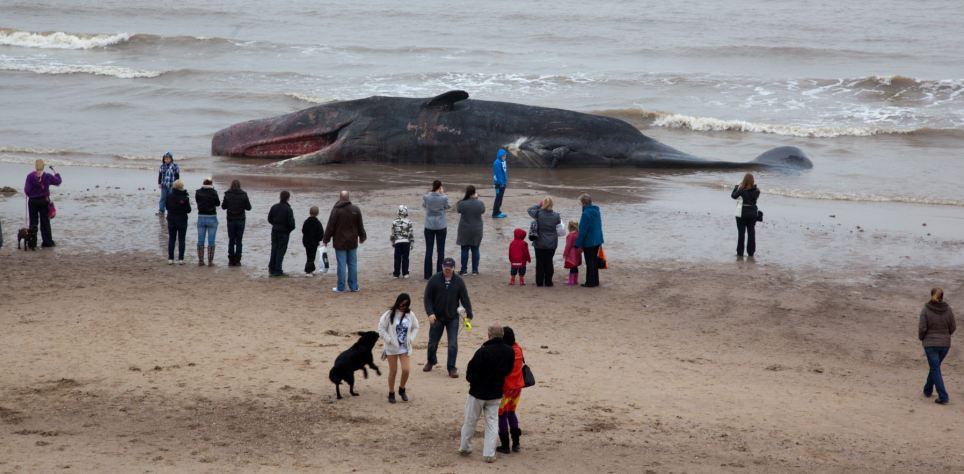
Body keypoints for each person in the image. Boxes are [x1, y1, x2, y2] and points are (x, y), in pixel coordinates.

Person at [458, 324, 515, 463]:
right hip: (495, 392)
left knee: (470, 421)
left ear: (489, 335)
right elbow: (508, 371)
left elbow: (470, 372)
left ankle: (465, 447)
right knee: (492, 423)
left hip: (477, 392)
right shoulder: (509, 351)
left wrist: (473, 382)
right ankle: (489, 453)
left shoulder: (482, 351)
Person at [423, 257, 474, 377]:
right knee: (432, 342)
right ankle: (431, 361)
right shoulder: (434, 279)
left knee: (452, 344)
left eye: (449, 269)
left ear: (453, 268)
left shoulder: (459, 281)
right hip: (437, 317)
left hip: (452, 318)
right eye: (446, 268)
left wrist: (469, 313)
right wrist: (430, 313)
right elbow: (427, 298)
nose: (447, 270)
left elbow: (465, 298)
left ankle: (451, 368)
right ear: (442, 267)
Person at [378, 293, 421, 404]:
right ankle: (391, 392)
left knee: (406, 370)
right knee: (393, 371)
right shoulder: (389, 314)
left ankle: (402, 389)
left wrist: (411, 338)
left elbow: (416, 327)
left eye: (405, 305)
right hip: (391, 348)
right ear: (398, 302)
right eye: (401, 305)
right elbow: (381, 328)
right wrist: (388, 340)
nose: (402, 307)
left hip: (404, 347)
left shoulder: (410, 315)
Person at [324, 190, 366, 292]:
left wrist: (326, 239)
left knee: (341, 265)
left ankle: (341, 287)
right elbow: (360, 224)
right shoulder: (355, 209)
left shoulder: (336, 210)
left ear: (340, 198)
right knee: (352, 264)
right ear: (348, 198)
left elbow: (330, 226)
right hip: (352, 241)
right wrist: (362, 236)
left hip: (339, 241)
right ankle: (354, 287)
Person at [919, 287, 956, 405]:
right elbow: (953, 327)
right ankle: (927, 390)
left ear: (931, 295)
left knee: (935, 368)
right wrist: (945, 335)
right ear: (942, 296)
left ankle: (943, 396)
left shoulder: (925, 310)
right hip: (945, 344)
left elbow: (922, 328)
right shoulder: (948, 310)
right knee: (935, 367)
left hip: (930, 344)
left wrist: (922, 338)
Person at [496, 326, 525, 454]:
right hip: (517, 387)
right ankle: (516, 443)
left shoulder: (505, 352)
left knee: (502, 414)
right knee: (511, 412)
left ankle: (505, 445)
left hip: (506, 388)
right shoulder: (518, 349)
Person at [23, 159, 62, 248]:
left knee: (33, 222)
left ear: (35, 166)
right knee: (45, 222)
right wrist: (56, 171)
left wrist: (31, 194)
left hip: (32, 202)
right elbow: (58, 181)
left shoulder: (30, 176)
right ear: (43, 166)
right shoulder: (47, 176)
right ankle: (47, 242)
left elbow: (27, 190)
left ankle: (32, 243)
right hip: (44, 201)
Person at [527, 196, 562, 287]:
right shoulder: (556, 215)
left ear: (543, 204)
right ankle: (548, 282)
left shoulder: (538, 213)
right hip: (552, 243)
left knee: (540, 262)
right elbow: (559, 226)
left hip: (539, 242)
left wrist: (538, 205)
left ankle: (539, 282)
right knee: (549, 261)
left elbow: (529, 210)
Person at [575, 193, 604, 288]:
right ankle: (595, 281)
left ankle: (590, 282)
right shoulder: (596, 211)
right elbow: (599, 226)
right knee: (594, 261)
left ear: (583, 202)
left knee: (589, 262)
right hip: (597, 239)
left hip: (589, 241)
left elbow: (582, 230)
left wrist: (578, 243)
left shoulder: (586, 213)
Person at [423, 180, 450, 280]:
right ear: (440, 187)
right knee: (441, 250)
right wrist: (442, 193)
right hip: (441, 226)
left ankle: (427, 275)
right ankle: (439, 273)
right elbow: (447, 206)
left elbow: (424, 206)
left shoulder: (426, 196)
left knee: (429, 250)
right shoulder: (444, 197)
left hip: (429, 226)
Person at [221, 179, 251, 266]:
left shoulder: (227, 194)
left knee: (231, 240)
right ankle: (237, 260)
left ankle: (231, 260)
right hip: (241, 220)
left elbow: (223, 207)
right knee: (239, 240)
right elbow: (249, 208)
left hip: (230, 219)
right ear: (239, 185)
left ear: (231, 185)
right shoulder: (244, 194)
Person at [456, 185, 485, 275]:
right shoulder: (480, 203)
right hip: (477, 229)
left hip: (464, 229)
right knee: (475, 249)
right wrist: (476, 199)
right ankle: (475, 270)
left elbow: (458, 210)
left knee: (464, 249)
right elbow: (483, 211)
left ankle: (464, 270)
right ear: (474, 192)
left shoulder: (462, 203)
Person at [731, 173, 760, 258]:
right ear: (752, 181)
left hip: (742, 213)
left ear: (744, 181)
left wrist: (736, 187)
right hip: (753, 213)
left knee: (741, 233)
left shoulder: (742, 190)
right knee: (751, 233)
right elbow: (753, 195)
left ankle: (740, 252)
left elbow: (733, 196)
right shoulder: (757, 191)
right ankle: (751, 252)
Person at [267, 190, 296, 277]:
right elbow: (292, 224)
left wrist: (275, 225)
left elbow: (269, 219)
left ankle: (271, 268)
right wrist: (288, 230)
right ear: (288, 198)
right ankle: (278, 270)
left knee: (274, 249)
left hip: (275, 231)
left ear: (280, 197)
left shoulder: (274, 207)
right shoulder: (288, 209)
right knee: (280, 251)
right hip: (284, 233)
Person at [195, 177, 221, 266]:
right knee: (211, 240)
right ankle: (210, 261)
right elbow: (218, 203)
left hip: (201, 216)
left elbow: (197, 201)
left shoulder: (198, 192)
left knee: (200, 240)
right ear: (211, 184)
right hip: (212, 217)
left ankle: (201, 261)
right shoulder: (214, 192)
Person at [164, 180, 191, 264]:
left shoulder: (169, 196)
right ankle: (181, 259)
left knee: (172, 239)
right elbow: (188, 210)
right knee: (181, 240)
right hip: (182, 220)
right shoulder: (185, 197)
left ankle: (170, 259)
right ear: (182, 187)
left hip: (171, 219)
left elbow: (167, 207)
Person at [390, 205, 414, 278]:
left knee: (397, 258)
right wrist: (412, 243)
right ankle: (405, 273)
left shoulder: (394, 222)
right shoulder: (409, 222)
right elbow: (411, 234)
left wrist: (393, 242)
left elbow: (392, 234)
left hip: (397, 242)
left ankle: (396, 274)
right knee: (405, 258)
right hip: (406, 242)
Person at [302, 206, 324, 276]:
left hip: (306, 242)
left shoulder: (306, 221)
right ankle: (308, 271)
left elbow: (303, 230)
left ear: (310, 212)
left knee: (309, 255)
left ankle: (310, 270)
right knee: (312, 257)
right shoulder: (317, 222)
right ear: (317, 213)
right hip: (314, 242)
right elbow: (321, 233)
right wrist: (319, 239)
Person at [156, 152, 179, 216]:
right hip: (164, 185)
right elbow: (160, 175)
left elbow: (177, 176)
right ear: (164, 159)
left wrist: (177, 184)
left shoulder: (175, 166)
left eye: (168, 158)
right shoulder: (162, 166)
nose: (167, 160)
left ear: (171, 159)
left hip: (172, 185)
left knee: (171, 198)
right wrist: (159, 183)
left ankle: (170, 211)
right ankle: (161, 211)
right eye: (165, 159)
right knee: (163, 198)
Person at [563, 220, 582, 286]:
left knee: (572, 267)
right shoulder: (578, 233)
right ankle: (575, 280)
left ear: (569, 226)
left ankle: (571, 281)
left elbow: (568, 245)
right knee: (575, 266)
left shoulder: (570, 235)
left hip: (572, 252)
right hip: (577, 252)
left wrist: (565, 253)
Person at [492, 148, 508, 218]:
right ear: (500, 156)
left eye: (505, 156)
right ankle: (495, 213)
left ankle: (498, 212)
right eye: (503, 156)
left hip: (503, 183)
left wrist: (505, 182)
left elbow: (504, 173)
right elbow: (498, 174)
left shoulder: (502, 162)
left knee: (500, 198)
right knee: (498, 198)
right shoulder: (497, 162)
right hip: (498, 184)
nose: (505, 157)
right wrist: (501, 183)